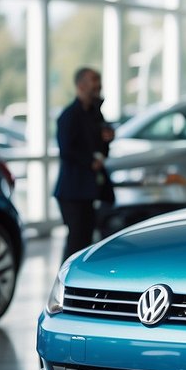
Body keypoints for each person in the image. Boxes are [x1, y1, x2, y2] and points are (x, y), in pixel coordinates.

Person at [55, 66, 114, 259]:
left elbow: (102, 149)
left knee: (88, 238)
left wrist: (107, 141)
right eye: (93, 81)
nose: (98, 85)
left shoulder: (96, 115)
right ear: (80, 86)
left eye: (99, 80)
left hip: (90, 189)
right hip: (73, 190)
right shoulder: (69, 116)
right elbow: (67, 150)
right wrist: (90, 162)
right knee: (77, 241)